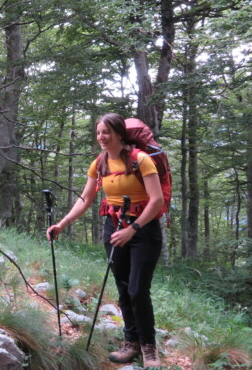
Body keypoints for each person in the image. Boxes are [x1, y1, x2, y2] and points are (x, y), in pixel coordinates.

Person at [46, 113, 163, 368]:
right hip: (114, 227)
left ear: (120, 134)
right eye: (99, 132)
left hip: (144, 230)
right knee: (123, 287)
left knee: (137, 289)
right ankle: (130, 342)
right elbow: (85, 199)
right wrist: (62, 224)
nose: (102, 137)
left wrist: (132, 229)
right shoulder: (99, 163)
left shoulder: (141, 160)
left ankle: (149, 347)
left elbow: (157, 201)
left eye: (107, 132)